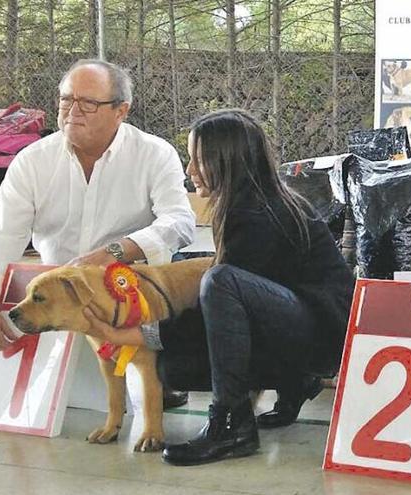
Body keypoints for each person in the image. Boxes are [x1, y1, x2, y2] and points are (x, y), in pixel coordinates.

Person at [83, 108, 355, 466]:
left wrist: (137, 334)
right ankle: (296, 382)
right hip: (298, 324)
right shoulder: (248, 202)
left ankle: (231, 425)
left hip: (323, 336)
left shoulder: (258, 214)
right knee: (174, 369)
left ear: (227, 161)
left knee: (219, 281)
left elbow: (224, 300)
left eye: (198, 159)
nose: (189, 170)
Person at [0, 59, 195, 408]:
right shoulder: (33, 160)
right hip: (57, 288)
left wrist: (113, 252)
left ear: (121, 110)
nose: (72, 112)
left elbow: (179, 222)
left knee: (186, 317)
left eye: (88, 103)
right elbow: (0, 235)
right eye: (66, 100)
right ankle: (75, 373)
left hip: (128, 284)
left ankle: (146, 373)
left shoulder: (155, 153)